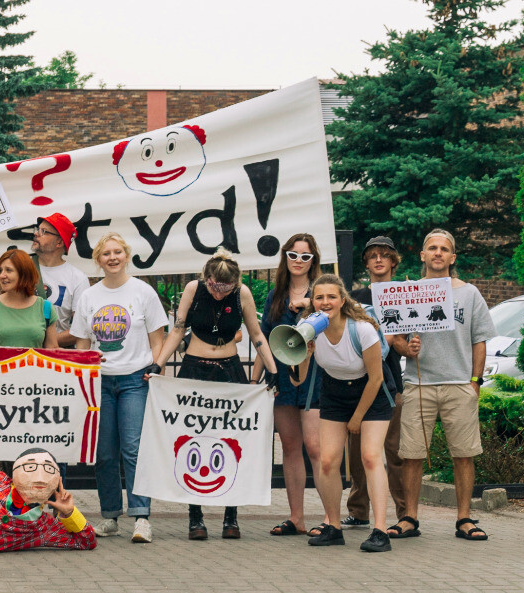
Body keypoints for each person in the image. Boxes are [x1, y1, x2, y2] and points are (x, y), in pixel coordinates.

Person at [156, 251, 277, 541]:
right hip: (195, 367)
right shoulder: (193, 289)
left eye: (226, 288)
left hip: (229, 369)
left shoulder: (242, 293)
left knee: (231, 440)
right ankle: (195, 517)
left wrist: (271, 368)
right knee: (192, 439)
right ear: (206, 278)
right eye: (214, 286)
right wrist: (157, 364)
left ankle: (230, 517)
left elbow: (256, 333)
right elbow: (177, 329)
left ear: (235, 283)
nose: (219, 293)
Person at [394, 229, 497, 542]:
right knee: (411, 455)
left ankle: (464, 518)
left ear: (453, 258)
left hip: (458, 385)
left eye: (444, 249)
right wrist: (405, 349)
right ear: (423, 256)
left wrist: (475, 382)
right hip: (419, 384)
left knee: (463, 455)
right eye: (432, 248)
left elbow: (479, 340)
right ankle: (410, 517)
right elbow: (395, 338)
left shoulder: (470, 294)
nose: (438, 253)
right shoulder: (408, 291)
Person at [70, 233, 169, 543]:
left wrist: (156, 369)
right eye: (105, 253)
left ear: (126, 256)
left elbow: (158, 338)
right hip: (100, 381)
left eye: (117, 252)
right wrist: (85, 368)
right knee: (104, 453)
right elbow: (82, 342)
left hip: (134, 380)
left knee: (133, 449)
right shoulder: (88, 296)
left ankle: (141, 517)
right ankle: (110, 515)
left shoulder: (143, 292)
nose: (112, 258)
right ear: (98, 260)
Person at [292, 274, 395, 552]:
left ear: (342, 300)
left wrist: (357, 419)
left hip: (371, 393)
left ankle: (380, 530)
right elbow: (298, 380)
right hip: (334, 392)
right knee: (327, 461)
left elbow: (375, 379)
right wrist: (305, 353)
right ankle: (334, 527)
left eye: (331, 297)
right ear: (312, 301)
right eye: (319, 297)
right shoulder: (307, 328)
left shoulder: (361, 329)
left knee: (371, 457)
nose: (325, 302)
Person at [346, 236, 414, 530]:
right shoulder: (354, 298)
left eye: (384, 255)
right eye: (373, 255)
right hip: (357, 381)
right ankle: (359, 510)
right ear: (367, 262)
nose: (378, 260)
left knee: (394, 450)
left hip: (391, 383)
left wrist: (400, 343)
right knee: (357, 450)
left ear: (393, 262)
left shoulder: (403, 295)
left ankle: (402, 514)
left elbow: (403, 346)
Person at [258, 233, 323, 537]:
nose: (298, 261)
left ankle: (329, 517)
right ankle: (296, 517)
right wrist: (255, 379)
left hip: (315, 377)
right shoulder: (275, 295)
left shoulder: (323, 291)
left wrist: (312, 303)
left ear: (314, 260)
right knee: (290, 446)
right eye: (293, 255)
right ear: (284, 257)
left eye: (305, 256)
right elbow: (264, 339)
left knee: (316, 447)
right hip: (283, 376)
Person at [0, 249, 62, 350]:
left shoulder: (45, 307)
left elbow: (53, 351)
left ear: (24, 273)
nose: (2, 275)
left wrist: (77, 358)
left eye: (8, 270)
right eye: (0, 270)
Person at [32, 212, 88, 349]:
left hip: (55, 358)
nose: (36, 234)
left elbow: (81, 329)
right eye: (37, 229)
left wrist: (43, 343)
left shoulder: (78, 278)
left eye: (43, 231)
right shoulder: (20, 268)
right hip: (18, 355)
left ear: (59, 242)